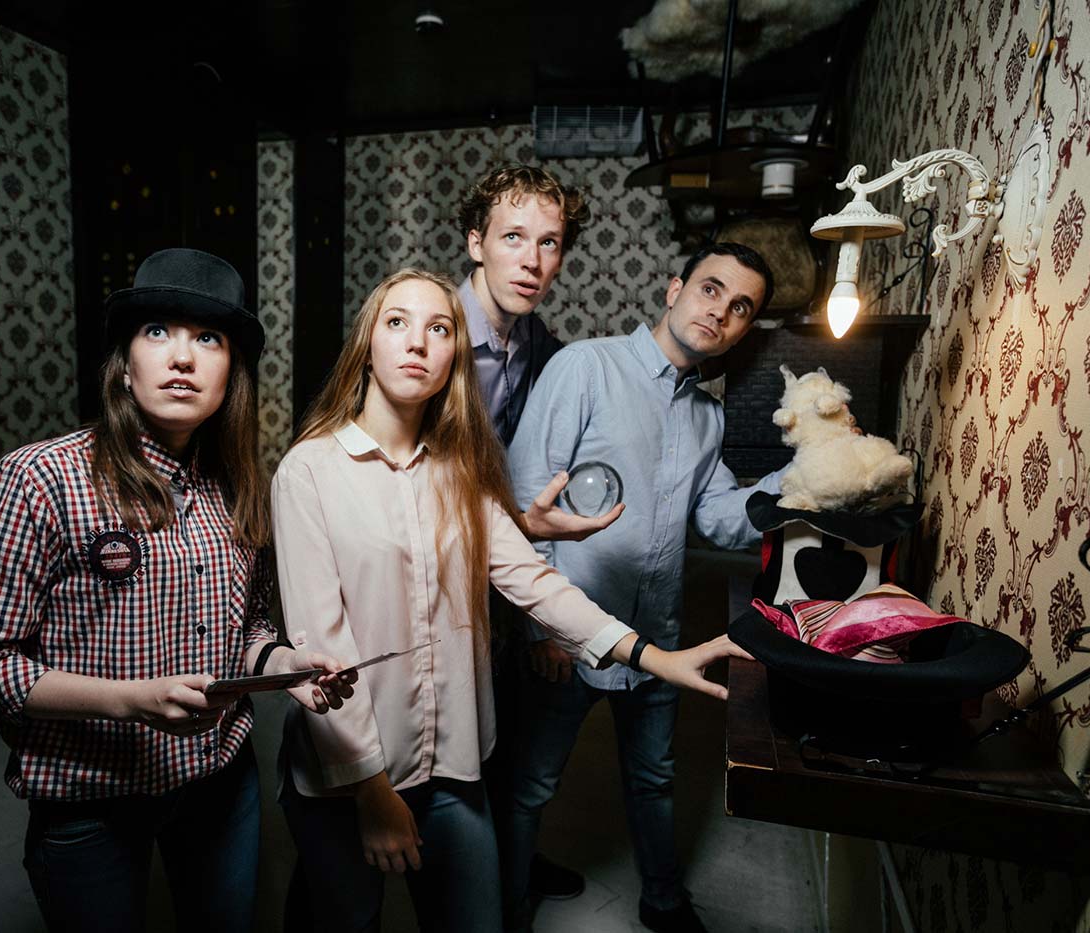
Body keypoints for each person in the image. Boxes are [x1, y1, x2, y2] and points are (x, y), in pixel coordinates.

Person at [271, 268, 752, 933]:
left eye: (440, 328)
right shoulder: (308, 471)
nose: (417, 342)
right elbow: (324, 652)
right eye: (397, 322)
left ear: (453, 357)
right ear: (367, 345)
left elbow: (534, 581)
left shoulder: (461, 471)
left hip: (452, 767)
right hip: (350, 779)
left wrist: (650, 656)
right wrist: (372, 795)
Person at [0, 248, 352, 933]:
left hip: (219, 782)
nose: (182, 357)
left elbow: (247, 626)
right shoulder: (40, 479)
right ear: (124, 364)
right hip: (89, 798)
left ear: (231, 374)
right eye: (157, 332)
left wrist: (284, 664)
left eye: (207, 339)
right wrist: (128, 699)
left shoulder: (236, 487)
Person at [502, 242, 785, 933]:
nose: (720, 312)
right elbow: (524, 497)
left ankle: (662, 901)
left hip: (658, 636)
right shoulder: (585, 367)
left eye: (740, 307)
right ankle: (503, 905)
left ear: (743, 330)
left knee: (654, 777)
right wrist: (542, 630)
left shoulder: (708, 417)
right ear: (673, 288)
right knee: (531, 784)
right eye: (711, 289)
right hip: (569, 632)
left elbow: (719, 520)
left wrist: (803, 479)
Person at [456, 163, 620, 905]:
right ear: (476, 243)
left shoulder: (535, 341)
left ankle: (506, 862)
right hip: (432, 558)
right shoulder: (431, 332)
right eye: (513, 237)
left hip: (498, 553)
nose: (532, 260)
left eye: (549, 243)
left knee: (508, 725)